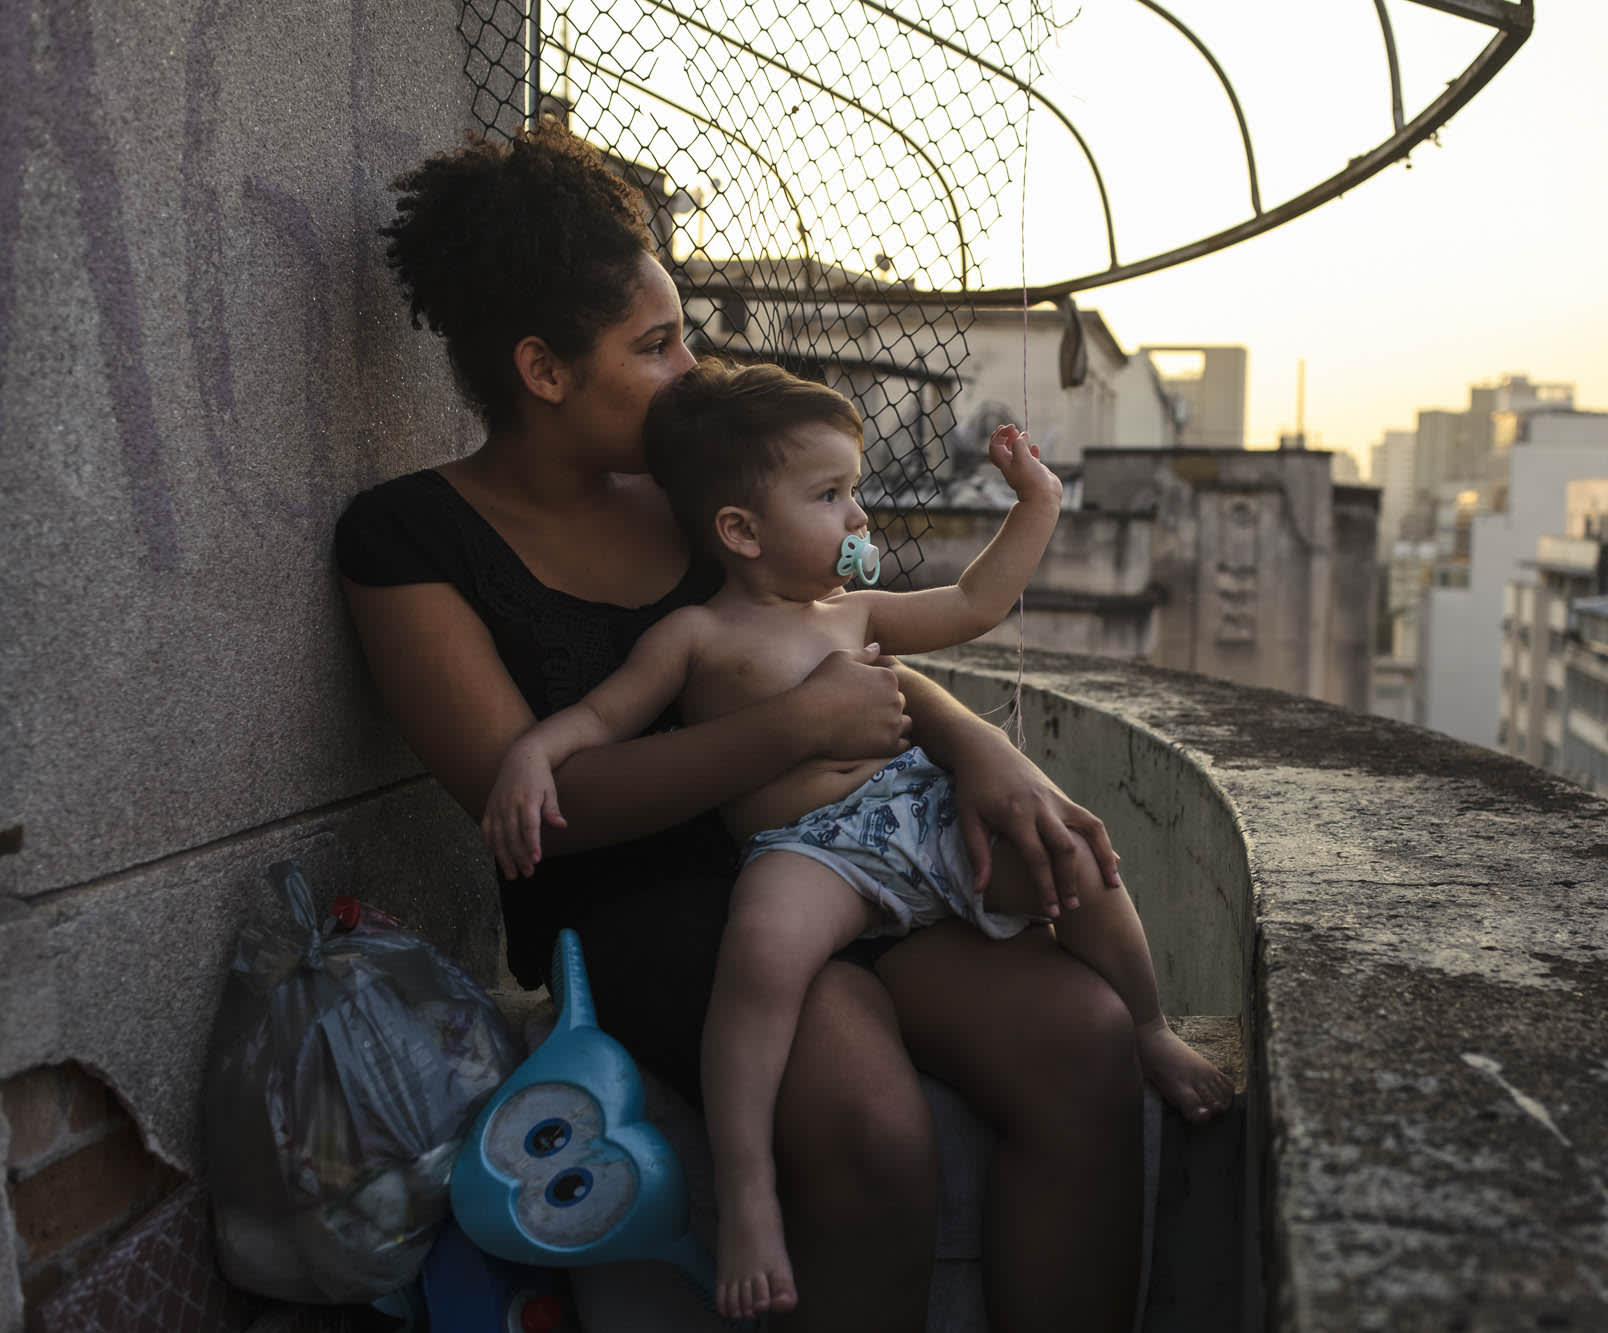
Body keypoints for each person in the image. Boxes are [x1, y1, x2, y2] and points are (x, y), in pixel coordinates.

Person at [334, 118, 1153, 1333]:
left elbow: (836, 640)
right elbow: (542, 819)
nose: (690, 371)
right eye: (656, 345)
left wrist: (985, 756)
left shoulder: (693, 498)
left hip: (838, 840)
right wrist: (787, 735)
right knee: (867, 1130)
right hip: (648, 906)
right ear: (543, 371)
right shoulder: (406, 540)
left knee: (1085, 1042)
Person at [480, 359, 1233, 1320]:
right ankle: (750, 1194)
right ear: (741, 530)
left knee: (1073, 857)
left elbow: (974, 604)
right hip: (812, 851)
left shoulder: (857, 611)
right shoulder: (697, 638)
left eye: (855, 490)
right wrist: (533, 753)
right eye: (831, 495)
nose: (859, 519)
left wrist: (1035, 503)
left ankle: (1148, 1022)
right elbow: (601, 716)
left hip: (914, 812)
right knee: (757, 958)